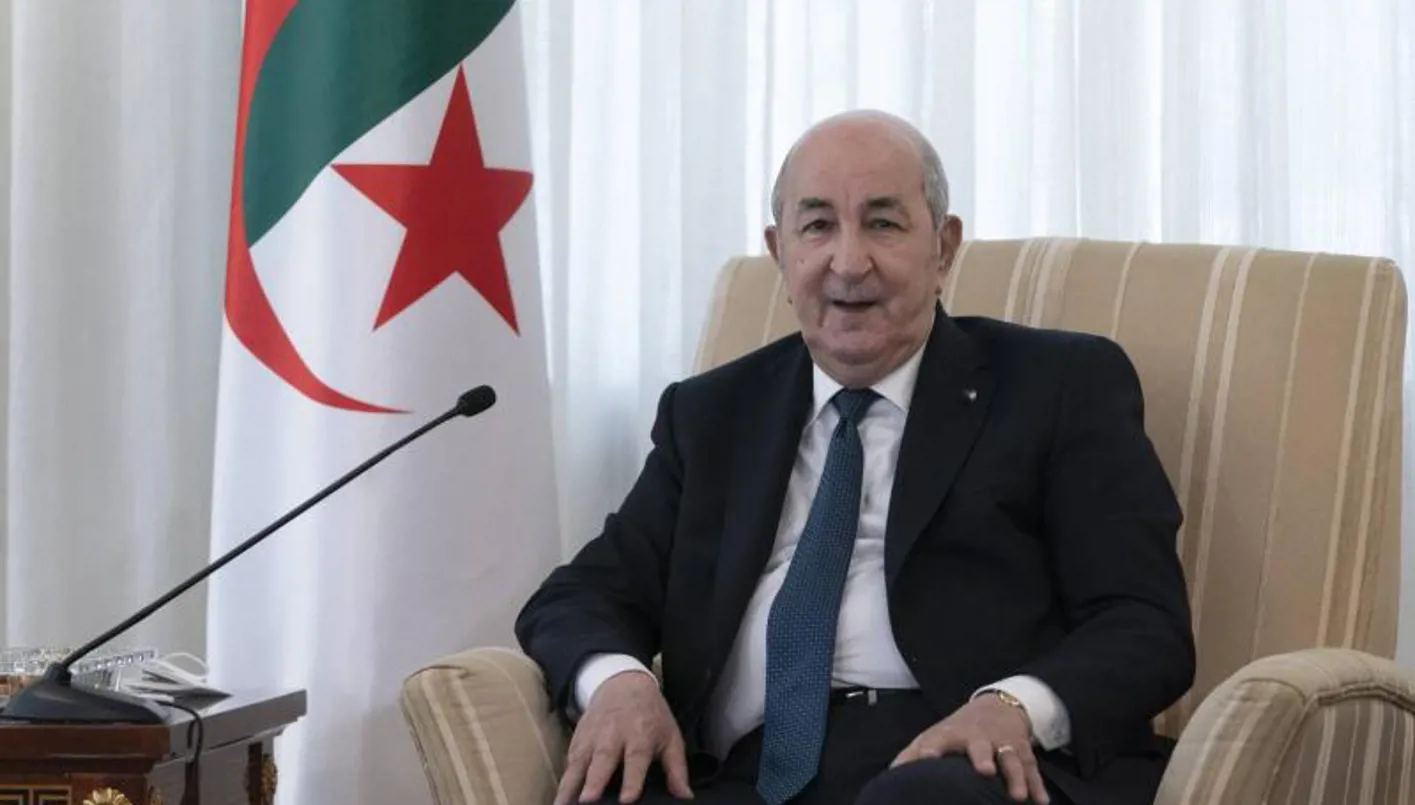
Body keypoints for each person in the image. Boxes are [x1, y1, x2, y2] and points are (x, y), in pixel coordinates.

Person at [515, 110, 1194, 805]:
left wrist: (1013, 707)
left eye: (883, 223)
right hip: (744, 773)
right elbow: (582, 594)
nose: (847, 262)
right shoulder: (712, 414)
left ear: (943, 247)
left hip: (954, 762)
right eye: (817, 226)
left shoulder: (1056, 386)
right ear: (780, 253)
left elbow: (1144, 622)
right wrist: (620, 682)